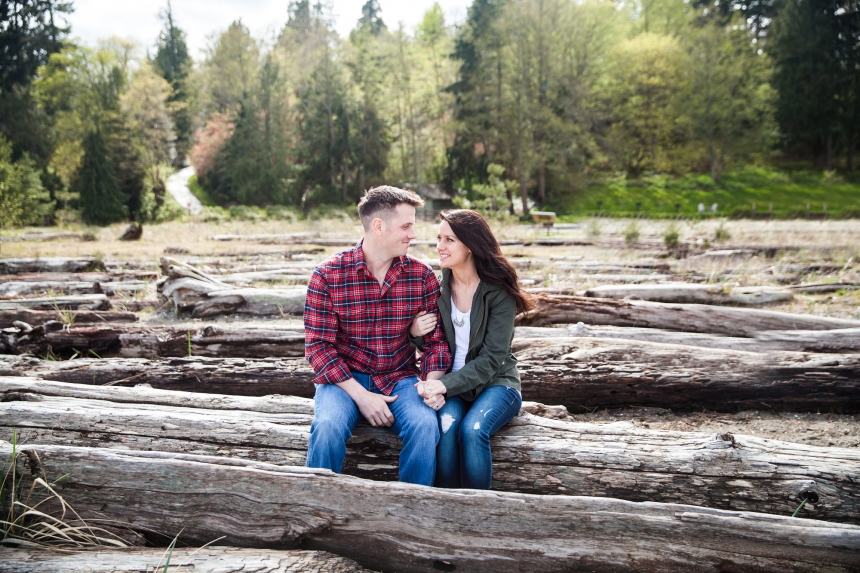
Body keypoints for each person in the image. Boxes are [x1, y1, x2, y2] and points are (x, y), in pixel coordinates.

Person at [304, 186, 453, 486]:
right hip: (344, 380)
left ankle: (410, 512)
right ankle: (316, 508)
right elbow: (318, 349)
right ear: (378, 226)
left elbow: (437, 344)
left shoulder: (421, 276)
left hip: (400, 377)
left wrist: (429, 384)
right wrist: (363, 398)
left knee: (425, 426)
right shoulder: (328, 275)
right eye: (406, 226)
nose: (413, 234)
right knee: (328, 426)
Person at [411, 209, 536, 489]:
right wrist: (415, 333)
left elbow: (493, 359)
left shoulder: (497, 292)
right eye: (439, 238)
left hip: (497, 384)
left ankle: (477, 511)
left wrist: (443, 385)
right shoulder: (437, 287)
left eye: (449, 240)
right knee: (446, 428)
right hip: (452, 385)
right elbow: (434, 344)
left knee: (472, 430)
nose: (440, 247)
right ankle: (447, 506)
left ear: (470, 245)